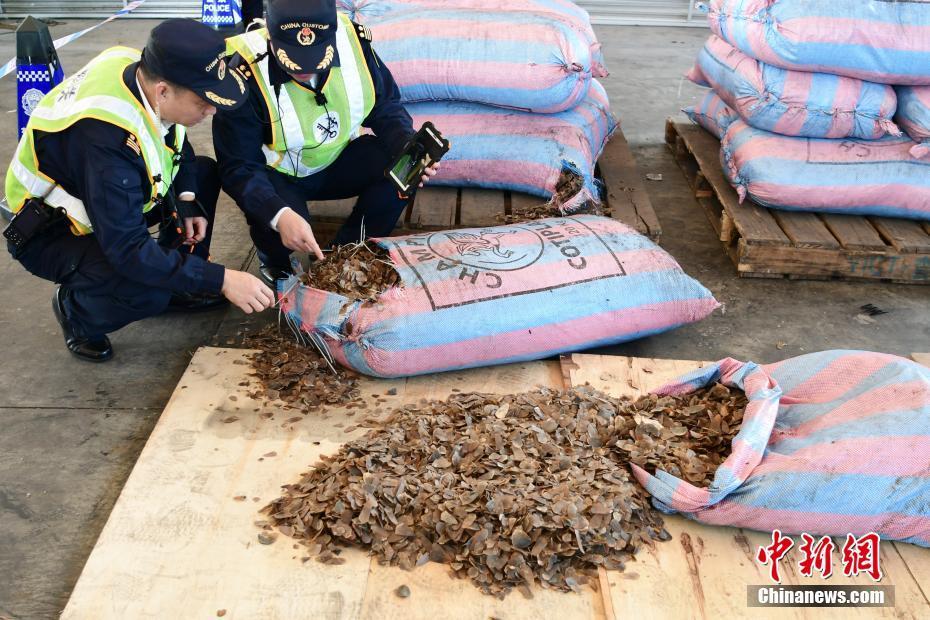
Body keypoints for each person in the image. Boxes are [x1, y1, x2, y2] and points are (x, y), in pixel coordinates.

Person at [4, 19, 274, 363]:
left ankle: (176, 282)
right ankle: (76, 312)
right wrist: (221, 279)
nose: (212, 110)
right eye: (203, 101)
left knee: (201, 174)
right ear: (163, 91)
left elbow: (177, 148)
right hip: (52, 232)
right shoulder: (105, 144)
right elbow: (128, 251)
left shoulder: (142, 71)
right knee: (145, 291)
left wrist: (187, 202)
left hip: (105, 201)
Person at [214, 0, 439, 286]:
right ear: (270, 36)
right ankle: (275, 260)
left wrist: (406, 145)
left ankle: (349, 250)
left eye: (315, 58)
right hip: (278, 175)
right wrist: (278, 215)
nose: (304, 71)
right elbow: (239, 167)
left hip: (337, 160)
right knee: (275, 221)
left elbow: (386, 106)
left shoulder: (354, 41)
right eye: (292, 62)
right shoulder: (240, 70)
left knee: (403, 166)